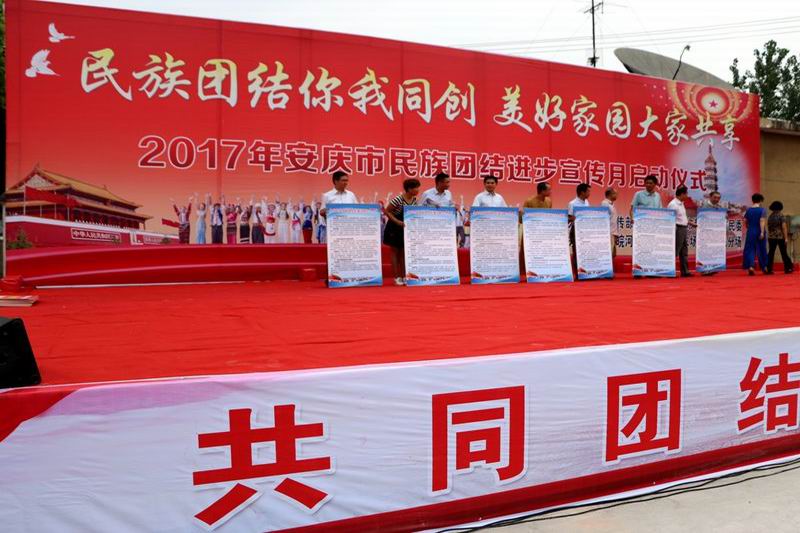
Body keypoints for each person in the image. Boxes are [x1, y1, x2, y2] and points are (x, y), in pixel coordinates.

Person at [383, 178, 421, 286]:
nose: (418, 190)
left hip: (405, 228)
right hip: (394, 227)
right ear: (409, 189)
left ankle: (404, 276)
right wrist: (397, 221)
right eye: (416, 188)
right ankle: (397, 277)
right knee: (395, 252)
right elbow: (387, 211)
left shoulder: (414, 200)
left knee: (404, 253)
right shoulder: (398, 199)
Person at [668, 186, 692, 277]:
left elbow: (681, 217)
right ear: (682, 194)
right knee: (675, 250)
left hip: (683, 228)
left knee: (684, 251)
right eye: (686, 194)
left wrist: (690, 223)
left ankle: (685, 271)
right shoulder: (673, 204)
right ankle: (669, 271)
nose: (687, 195)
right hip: (677, 228)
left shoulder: (681, 203)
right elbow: (670, 218)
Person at [743, 193, 769, 275]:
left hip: (751, 231)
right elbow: (762, 221)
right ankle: (764, 267)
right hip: (759, 230)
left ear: (752, 200)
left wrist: (748, 227)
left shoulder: (748, 210)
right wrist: (762, 232)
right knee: (761, 249)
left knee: (750, 249)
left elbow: (745, 221)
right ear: (760, 200)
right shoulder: (762, 210)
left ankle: (751, 267)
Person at [767, 200, 794, 274]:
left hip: (771, 237)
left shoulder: (770, 216)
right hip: (780, 237)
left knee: (771, 253)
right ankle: (788, 268)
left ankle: (769, 269)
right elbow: (784, 227)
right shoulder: (781, 216)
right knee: (784, 253)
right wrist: (786, 238)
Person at [601, 187, 620, 257]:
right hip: (608, 232)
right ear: (610, 194)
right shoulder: (605, 203)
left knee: (613, 253)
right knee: (608, 254)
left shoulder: (611, 204)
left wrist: (616, 233)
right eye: (615, 194)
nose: (617, 195)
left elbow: (613, 220)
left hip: (613, 232)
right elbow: (603, 219)